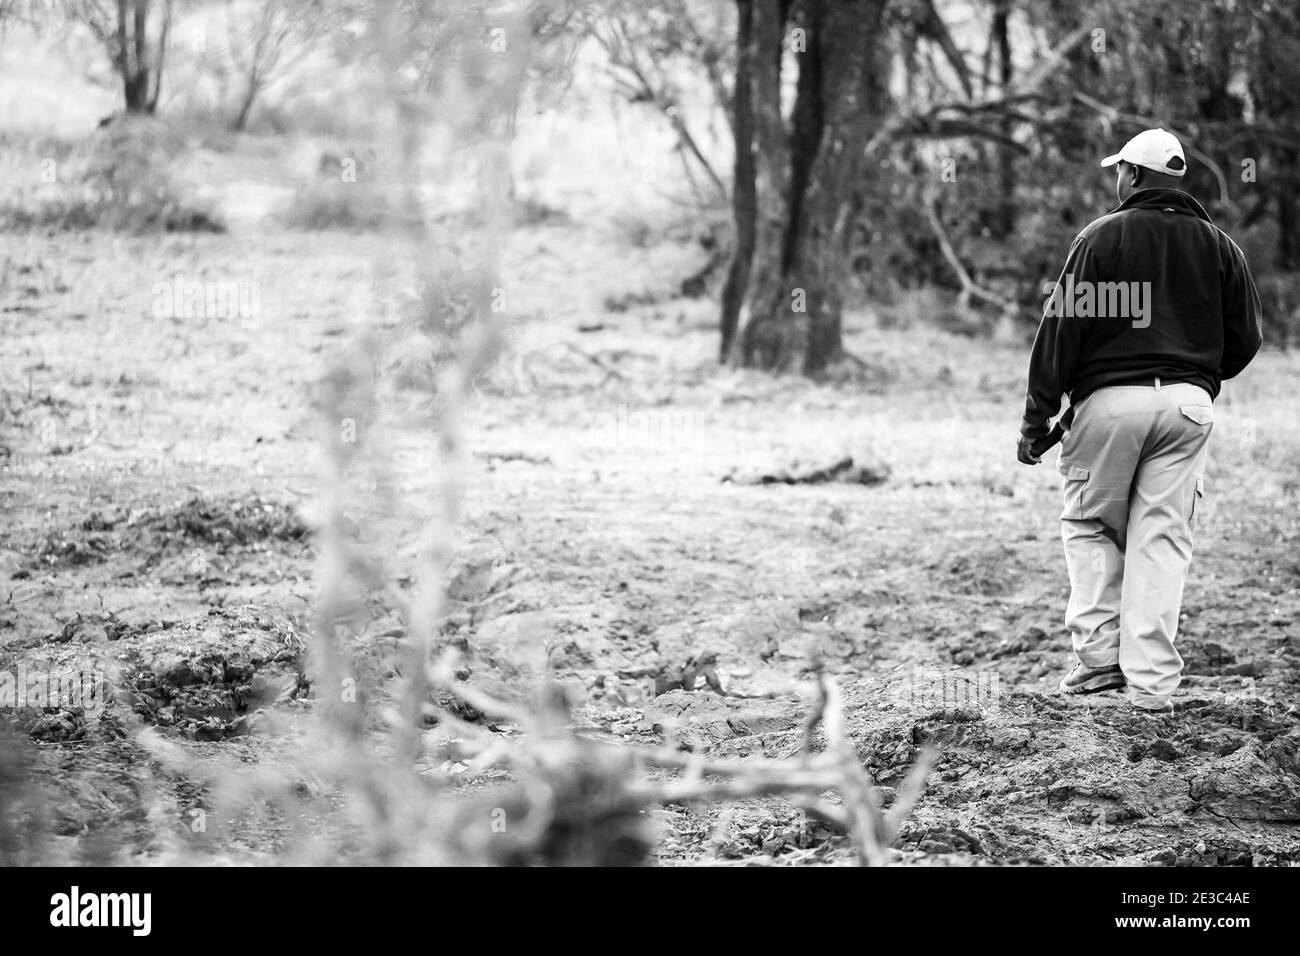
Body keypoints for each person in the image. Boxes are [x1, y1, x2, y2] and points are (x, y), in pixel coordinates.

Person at [1016, 128, 1263, 713]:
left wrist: (1036, 423)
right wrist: (1198, 378)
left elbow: (1060, 334)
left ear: (1131, 175)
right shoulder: (1222, 247)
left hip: (1108, 405)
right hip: (1187, 409)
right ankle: (1152, 685)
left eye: (1117, 171)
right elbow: (1247, 338)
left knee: (1093, 524)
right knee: (1162, 537)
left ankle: (1100, 663)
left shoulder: (1101, 239)